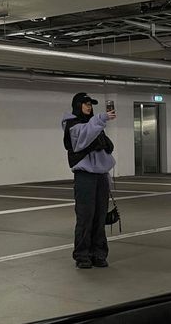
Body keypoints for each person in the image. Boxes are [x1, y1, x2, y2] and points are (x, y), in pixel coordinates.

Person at [62, 92, 116, 269]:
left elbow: (105, 145)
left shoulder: (93, 124)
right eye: (85, 104)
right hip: (85, 176)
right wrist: (101, 118)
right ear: (77, 105)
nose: (88, 107)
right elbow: (83, 138)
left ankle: (98, 253)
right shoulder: (72, 124)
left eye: (90, 104)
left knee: (100, 216)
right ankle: (82, 255)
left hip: (100, 175)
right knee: (85, 216)